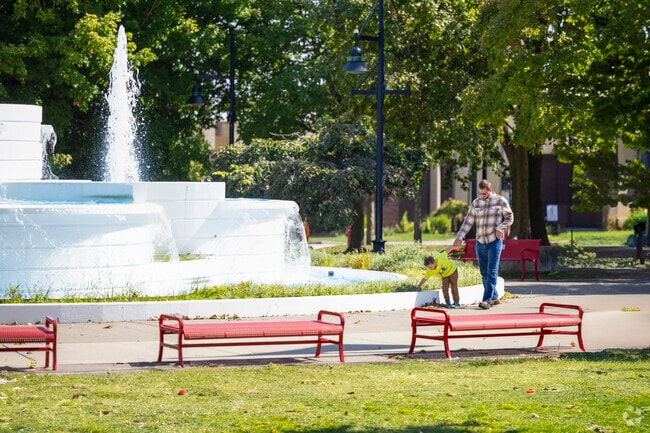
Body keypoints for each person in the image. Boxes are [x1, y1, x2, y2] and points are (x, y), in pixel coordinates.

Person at [453, 179, 514, 310]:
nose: (483, 196)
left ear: (490, 190)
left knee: (492, 271)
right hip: (480, 241)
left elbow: (509, 218)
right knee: (484, 273)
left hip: (494, 241)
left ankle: (486, 300)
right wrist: (459, 237)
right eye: (481, 193)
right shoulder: (476, 203)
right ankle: (495, 297)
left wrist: (500, 228)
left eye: (485, 193)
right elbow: (468, 222)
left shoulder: (500, 201)